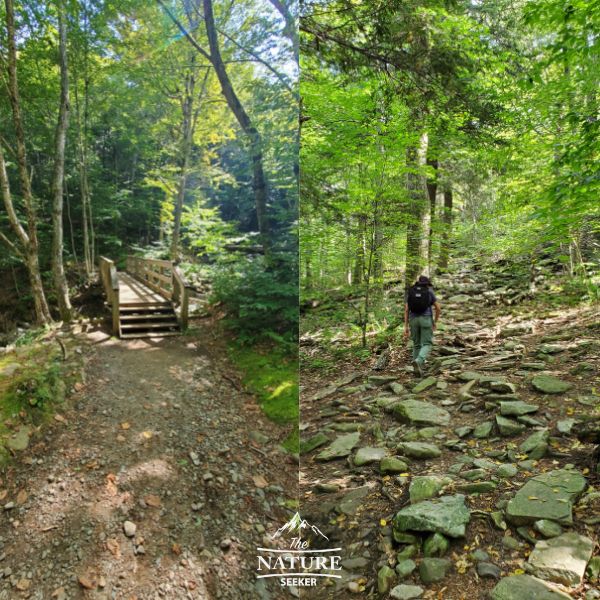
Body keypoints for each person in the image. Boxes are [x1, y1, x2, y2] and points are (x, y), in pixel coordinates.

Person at [403, 275, 441, 376]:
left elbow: (406, 309)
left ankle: (417, 369)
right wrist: (435, 321)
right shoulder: (429, 291)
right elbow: (438, 308)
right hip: (425, 319)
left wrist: (406, 326)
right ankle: (419, 361)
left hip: (413, 320)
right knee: (427, 343)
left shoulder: (411, 291)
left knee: (416, 344)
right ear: (427, 284)